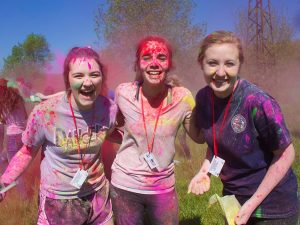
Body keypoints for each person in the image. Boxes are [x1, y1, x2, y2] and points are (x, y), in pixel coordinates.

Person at [188, 31, 299, 225]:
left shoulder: (257, 101)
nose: (221, 72)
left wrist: (250, 205)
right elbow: (217, 141)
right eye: (213, 63)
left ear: (239, 65)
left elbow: (286, 154)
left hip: (273, 207)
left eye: (229, 64)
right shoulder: (204, 98)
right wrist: (204, 172)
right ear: (201, 64)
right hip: (234, 200)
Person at [0, 47, 117, 225]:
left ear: (102, 77)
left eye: (94, 74)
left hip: (98, 198)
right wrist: (4, 181)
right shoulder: (45, 113)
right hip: (58, 202)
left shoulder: (108, 108)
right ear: (68, 79)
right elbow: (26, 152)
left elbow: (112, 133)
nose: (87, 82)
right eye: (79, 76)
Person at [110, 36, 203, 225]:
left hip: (163, 188)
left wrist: (218, 108)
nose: (154, 63)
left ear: (169, 64)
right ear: (138, 64)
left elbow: (199, 137)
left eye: (161, 57)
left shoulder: (182, 97)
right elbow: (112, 124)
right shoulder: (123, 93)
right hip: (125, 185)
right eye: (147, 57)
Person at [0, 78, 28, 198]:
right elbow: (25, 117)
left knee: (16, 169)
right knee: (6, 160)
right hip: (24, 135)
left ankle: (23, 197)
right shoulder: (19, 99)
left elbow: (4, 121)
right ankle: (8, 184)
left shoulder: (2, 102)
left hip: (12, 137)